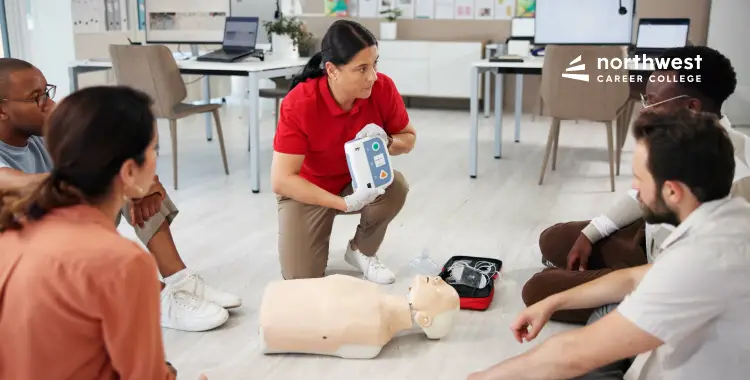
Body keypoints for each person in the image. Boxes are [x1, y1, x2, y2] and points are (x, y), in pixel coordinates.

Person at [468, 109, 750, 380]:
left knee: (566, 360)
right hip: (670, 349)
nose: (635, 190)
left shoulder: (702, 260)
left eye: (640, 179)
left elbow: (573, 355)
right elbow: (631, 278)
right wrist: (553, 303)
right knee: (605, 312)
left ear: (672, 191)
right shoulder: (730, 219)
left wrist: (482, 377)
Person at [0, 58, 238, 332]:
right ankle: (155, 298)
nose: (48, 103)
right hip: (22, 260)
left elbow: (107, 153)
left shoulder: (41, 131)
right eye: (36, 97)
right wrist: (121, 178)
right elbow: (17, 183)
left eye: (47, 91)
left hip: (56, 238)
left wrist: (137, 182)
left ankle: (179, 279)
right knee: (110, 182)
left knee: (124, 178)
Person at [521, 45, 748, 324]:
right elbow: (641, 196)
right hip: (649, 238)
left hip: (668, 274)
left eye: (652, 101)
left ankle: (616, 300)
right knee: (552, 240)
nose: (644, 110)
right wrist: (591, 234)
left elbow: (690, 277)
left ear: (691, 108)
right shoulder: (683, 139)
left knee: (537, 290)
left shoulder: (730, 176)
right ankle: (599, 271)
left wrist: (617, 288)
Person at [0, 86, 209, 379]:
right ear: (128, 171)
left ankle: (180, 282)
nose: (155, 161)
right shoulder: (123, 263)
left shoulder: (9, 238)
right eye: (153, 150)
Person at [271, 20, 416, 283]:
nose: (372, 75)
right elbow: (282, 180)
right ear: (332, 70)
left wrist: (387, 140)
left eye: (375, 64)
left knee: (396, 186)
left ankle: (361, 250)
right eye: (361, 68)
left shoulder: (381, 88)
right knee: (301, 278)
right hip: (307, 190)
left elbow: (409, 138)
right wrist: (344, 203)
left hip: (355, 181)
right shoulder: (300, 103)